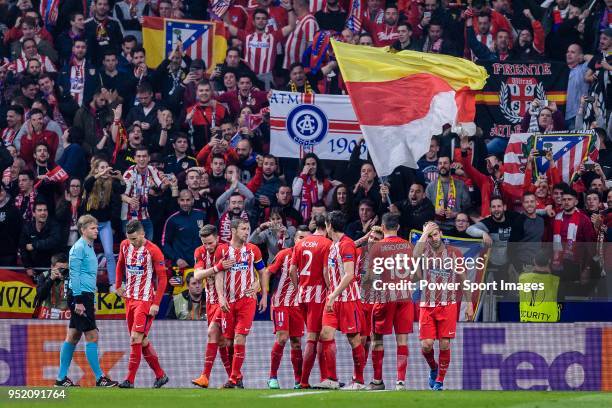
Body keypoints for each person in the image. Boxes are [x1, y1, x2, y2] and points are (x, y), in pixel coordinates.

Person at [55, 215, 118, 387]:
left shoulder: (89, 247)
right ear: (83, 230)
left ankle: (61, 379)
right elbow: (74, 275)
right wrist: (79, 301)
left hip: (86, 295)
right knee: (92, 335)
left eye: (97, 228)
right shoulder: (78, 248)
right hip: (80, 295)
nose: (96, 230)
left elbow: (88, 275)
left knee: (73, 336)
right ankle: (99, 378)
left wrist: (92, 297)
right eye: (92, 228)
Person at [413, 221, 473, 391]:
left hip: (448, 305)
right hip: (427, 305)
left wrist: (469, 304)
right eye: (430, 236)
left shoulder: (454, 253)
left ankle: (439, 381)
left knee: (445, 344)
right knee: (426, 345)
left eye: (435, 234)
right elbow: (415, 255)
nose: (433, 238)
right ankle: (433, 367)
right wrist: (425, 233)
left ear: (441, 234)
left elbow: (464, 280)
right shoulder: (424, 251)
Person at [313, 211, 366, 390]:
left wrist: (333, 294)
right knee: (325, 335)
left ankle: (358, 381)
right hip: (333, 300)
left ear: (329, 225)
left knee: (354, 339)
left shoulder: (346, 245)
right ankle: (332, 379)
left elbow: (350, 275)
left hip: (348, 300)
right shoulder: (335, 245)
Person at [115, 220, 169, 388]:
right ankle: (160, 375)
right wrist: (117, 285)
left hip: (145, 300)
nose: (132, 242)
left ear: (143, 234)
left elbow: (162, 279)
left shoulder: (153, 251)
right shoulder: (125, 245)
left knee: (135, 338)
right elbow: (120, 265)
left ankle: (129, 380)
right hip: (129, 299)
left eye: (135, 239)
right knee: (142, 340)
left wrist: (156, 303)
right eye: (129, 239)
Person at [214, 218, 266, 388]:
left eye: (248, 228)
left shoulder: (253, 250)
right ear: (234, 230)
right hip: (228, 301)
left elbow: (263, 271)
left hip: (247, 300)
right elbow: (219, 274)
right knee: (227, 342)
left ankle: (233, 378)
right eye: (243, 228)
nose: (246, 232)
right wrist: (220, 296)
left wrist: (262, 291)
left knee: (239, 337)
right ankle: (237, 376)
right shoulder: (222, 250)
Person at [366, 213, 414, 391]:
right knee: (402, 340)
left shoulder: (377, 247)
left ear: (383, 227)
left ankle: (377, 380)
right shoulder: (409, 246)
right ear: (398, 227)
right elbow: (416, 275)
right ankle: (400, 381)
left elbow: (371, 276)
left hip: (385, 297)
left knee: (377, 339)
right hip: (404, 297)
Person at [261, 226, 310, 389]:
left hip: (298, 306)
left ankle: (298, 381)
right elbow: (268, 272)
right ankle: (272, 377)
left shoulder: (312, 257)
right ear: (294, 239)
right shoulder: (284, 254)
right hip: (281, 303)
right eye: (300, 237)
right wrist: (265, 296)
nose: (304, 241)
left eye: (307, 238)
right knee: (282, 338)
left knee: (296, 343)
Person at [289, 214, 331, 388]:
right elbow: (325, 271)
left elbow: (292, 270)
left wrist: (299, 287)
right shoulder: (327, 244)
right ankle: (304, 381)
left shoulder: (301, 243)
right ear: (327, 226)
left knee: (319, 336)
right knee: (314, 337)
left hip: (303, 294)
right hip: (318, 295)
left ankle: (324, 378)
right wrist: (332, 291)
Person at [191, 225, 234, 388]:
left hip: (224, 301)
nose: (208, 247)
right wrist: (217, 267)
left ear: (217, 238)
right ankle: (234, 378)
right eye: (205, 243)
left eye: (210, 243)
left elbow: (219, 275)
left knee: (212, 334)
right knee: (221, 341)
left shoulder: (224, 249)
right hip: (210, 301)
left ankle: (205, 376)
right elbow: (197, 275)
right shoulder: (199, 251)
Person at [161, 189, 209, 268]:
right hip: (181, 266)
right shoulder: (172, 220)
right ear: (178, 201)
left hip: (200, 263)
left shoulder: (202, 215)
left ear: (193, 200)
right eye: (182, 200)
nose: (185, 203)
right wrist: (176, 259)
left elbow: (210, 237)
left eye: (188, 200)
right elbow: (164, 243)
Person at [425, 156, 471, 232]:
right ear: (437, 166)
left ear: (451, 166)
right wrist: (435, 211)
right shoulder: (431, 186)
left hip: (456, 227)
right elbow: (425, 209)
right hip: (436, 227)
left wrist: (456, 214)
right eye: (440, 163)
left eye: (445, 163)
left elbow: (468, 208)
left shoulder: (461, 185)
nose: (442, 165)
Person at [19, 200, 63, 276]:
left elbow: (53, 241)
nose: (43, 213)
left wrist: (34, 245)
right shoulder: (27, 228)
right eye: (39, 210)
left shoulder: (54, 225)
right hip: (34, 270)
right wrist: (28, 267)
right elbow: (23, 249)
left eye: (45, 210)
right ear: (33, 213)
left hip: (51, 269)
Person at [34, 253, 70, 319]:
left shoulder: (72, 277)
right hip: (46, 314)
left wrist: (65, 279)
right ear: (52, 267)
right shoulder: (44, 276)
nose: (63, 271)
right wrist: (50, 279)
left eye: (65, 269)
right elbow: (40, 296)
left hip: (66, 315)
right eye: (60, 269)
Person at [0, 184, 22, 265]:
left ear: (5, 191)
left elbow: (19, 231)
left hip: (9, 254)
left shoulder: (14, 210)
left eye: (1, 190)